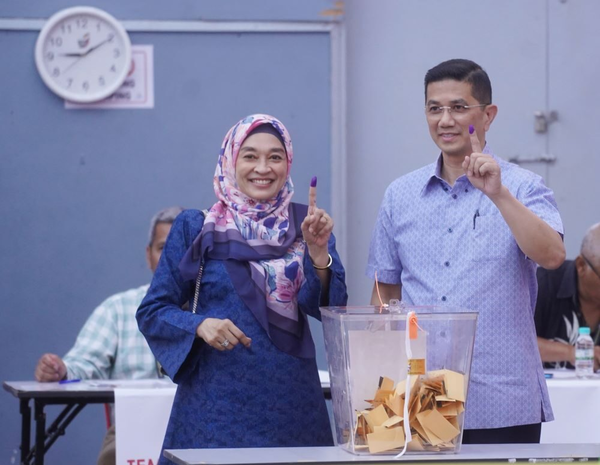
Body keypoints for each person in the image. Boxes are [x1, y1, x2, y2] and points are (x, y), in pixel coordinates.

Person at [366, 59, 565, 444]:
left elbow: (553, 256)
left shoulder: (522, 186)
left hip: (501, 397)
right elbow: (384, 293)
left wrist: (498, 194)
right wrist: (378, 385)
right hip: (419, 396)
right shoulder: (400, 195)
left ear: (487, 115)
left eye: (459, 107)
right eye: (434, 108)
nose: (445, 120)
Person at [137, 114, 347, 461]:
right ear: (231, 161)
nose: (262, 167)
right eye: (250, 155)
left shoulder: (306, 226)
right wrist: (200, 324)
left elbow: (330, 308)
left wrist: (318, 251)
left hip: (292, 410)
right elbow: (153, 311)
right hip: (215, 410)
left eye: (275, 156)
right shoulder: (197, 227)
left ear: (288, 163)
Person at [34, 205, 184, 465]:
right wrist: (61, 370)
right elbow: (85, 364)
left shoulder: (216, 311)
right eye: (163, 249)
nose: (172, 258)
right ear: (148, 255)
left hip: (197, 433)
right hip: (132, 433)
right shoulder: (117, 310)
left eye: (183, 250)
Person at [536, 222, 600, 371]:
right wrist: (571, 352)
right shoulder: (543, 284)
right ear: (581, 265)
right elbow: (513, 342)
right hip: (546, 391)